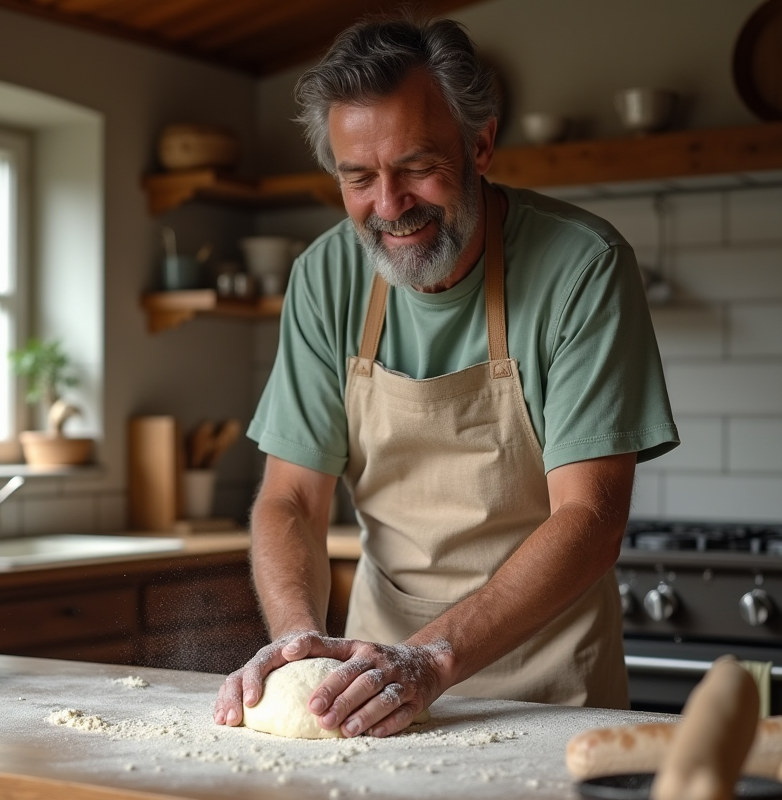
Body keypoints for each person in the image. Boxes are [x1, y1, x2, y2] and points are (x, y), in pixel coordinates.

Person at [213, 15, 678, 739]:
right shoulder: (324, 277)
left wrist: (431, 662)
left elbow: (589, 519)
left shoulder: (582, 267)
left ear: (481, 143)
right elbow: (292, 501)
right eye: (359, 178)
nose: (390, 206)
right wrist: (299, 645)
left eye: (417, 167)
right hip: (372, 696)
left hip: (550, 699)